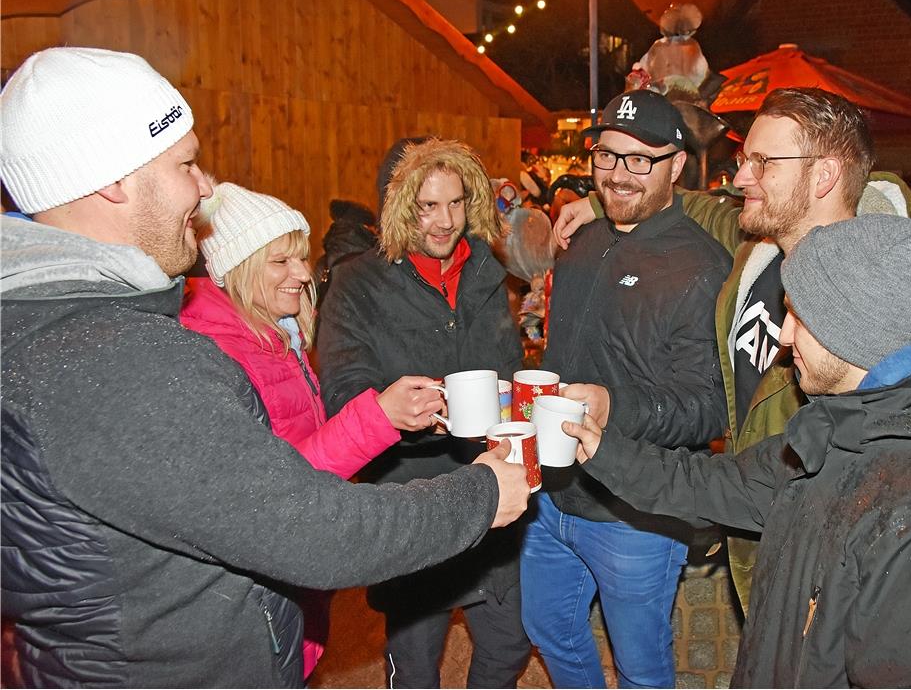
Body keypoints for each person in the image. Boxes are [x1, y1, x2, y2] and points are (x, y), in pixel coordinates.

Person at [0, 46, 529, 688]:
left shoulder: (43, 331)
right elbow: (312, 528)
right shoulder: (117, 359)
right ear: (112, 178)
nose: (203, 189)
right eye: (187, 163)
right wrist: (479, 495)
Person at [562, 215, 911, 687]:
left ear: (855, 332)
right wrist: (605, 451)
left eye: (799, 318)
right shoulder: (853, 420)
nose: (783, 339)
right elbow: (727, 484)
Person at [554, 87, 911, 610]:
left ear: (823, 175)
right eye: (743, 160)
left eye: (762, 162)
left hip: (828, 553)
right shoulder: (756, 247)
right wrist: (602, 195)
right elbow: (676, 198)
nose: (739, 178)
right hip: (755, 516)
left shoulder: (879, 304)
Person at [180, 181, 447, 676]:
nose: (304, 274)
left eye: (301, 259)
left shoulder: (272, 334)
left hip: (286, 583)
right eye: (281, 261)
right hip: (255, 601)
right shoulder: (222, 355)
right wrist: (378, 417)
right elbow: (276, 489)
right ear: (236, 266)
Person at [524, 90, 731, 688]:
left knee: (640, 668)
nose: (618, 174)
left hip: (635, 511)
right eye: (606, 156)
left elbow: (708, 409)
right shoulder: (582, 240)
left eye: (640, 159)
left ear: (677, 165)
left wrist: (617, 407)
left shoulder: (701, 266)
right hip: (551, 492)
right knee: (550, 630)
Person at [317, 137, 531, 689]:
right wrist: (395, 410)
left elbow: (507, 363)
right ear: (398, 206)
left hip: (490, 495)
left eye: (456, 202)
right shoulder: (359, 282)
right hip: (413, 500)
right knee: (414, 668)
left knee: (508, 648)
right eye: (427, 206)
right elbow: (343, 390)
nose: (445, 222)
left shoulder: (485, 268)